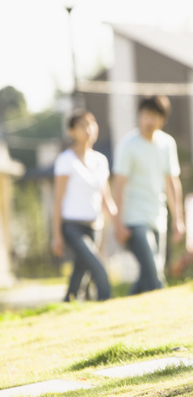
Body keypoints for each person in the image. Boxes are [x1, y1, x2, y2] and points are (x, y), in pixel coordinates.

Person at [112, 95, 185, 295]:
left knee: (150, 273)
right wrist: (117, 223)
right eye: (144, 115)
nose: (148, 121)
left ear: (162, 119)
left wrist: (178, 219)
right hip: (134, 219)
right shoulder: (128, 145)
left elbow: (172, 182)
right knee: (153, 273)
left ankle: (124, 307)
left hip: (157, 216)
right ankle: (166, 307)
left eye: (153, 116)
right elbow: (119, 185)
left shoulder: (167, 143)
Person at [52, 110, 116, 302]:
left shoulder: (101, 161)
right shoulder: (66, 160)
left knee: (80, 274)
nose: (88, 130)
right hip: (72, 226)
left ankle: (68, 303)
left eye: (91, 124)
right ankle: (107, 305)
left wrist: (120, 224)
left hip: (95, 226)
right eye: (82, 125)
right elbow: (58, 200)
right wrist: (56, 235)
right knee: (99, 269)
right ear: (72, 131)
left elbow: (106, 199)